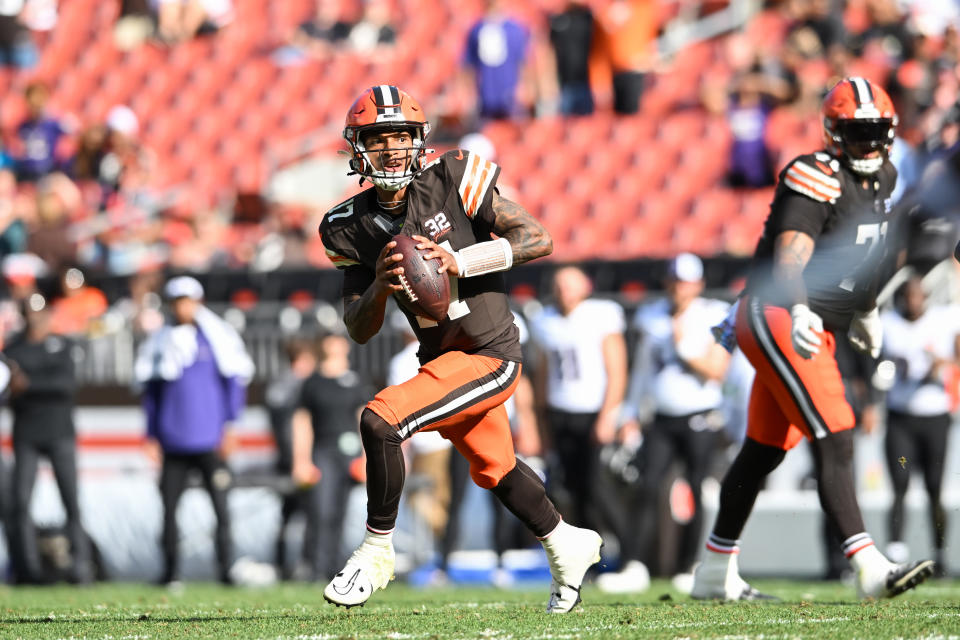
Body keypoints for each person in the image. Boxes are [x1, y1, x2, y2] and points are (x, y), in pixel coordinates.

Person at [318, 85, 601, 613]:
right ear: (359, 148)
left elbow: (539, 238)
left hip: (491, 354)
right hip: (444, 359)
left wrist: (458, 262)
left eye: (402, 136)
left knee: (380, 421)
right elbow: (358, 327)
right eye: (380, 139)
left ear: (419, 141)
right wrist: (379, 283)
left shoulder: (452, 177)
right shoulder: (346, 226)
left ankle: (378, 549)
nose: (394, 148)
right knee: (497, 468)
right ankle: (568, 542)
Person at [691, 77, 935, 601]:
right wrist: (800, 306)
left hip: (812, 317)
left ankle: (713, 570)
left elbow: (866, 255)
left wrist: (866, 308)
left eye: (875, 133)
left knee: (763, 450)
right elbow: (792, 252)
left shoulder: (884, 176)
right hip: (780, 307)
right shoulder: (815, 173)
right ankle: (867, 565)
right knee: (836, 429)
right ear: (832, 132)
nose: (868, 145)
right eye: (857, 132)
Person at [601, 253, 730, 594]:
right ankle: (634, 564)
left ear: (698, 284)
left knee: (696, 489)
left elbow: (717, 370)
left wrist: (685, 347)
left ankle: (690, 565)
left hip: (701, 414)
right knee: (646, 487)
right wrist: (629, 412)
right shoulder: (651, 317)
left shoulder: (715, 314)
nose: (679, 288)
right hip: (660, 417)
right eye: (674, 281)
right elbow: (643, 370)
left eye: (685, 281)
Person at [134, 276, 254, 585]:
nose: (184, 308)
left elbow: (233, 382)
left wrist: (231, 426)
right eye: (178, 302)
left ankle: (225, 569)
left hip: (210, 440)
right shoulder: (160, 343)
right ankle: (170, 571)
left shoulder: (216, 340)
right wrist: (150, 435)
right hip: (173, 440)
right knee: (169, 511)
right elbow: (151, 393)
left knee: (221, 509)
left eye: (188, 301)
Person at [529, 267, 627, 535]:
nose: (564, 291)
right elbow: (542, 375)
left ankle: (630, 554)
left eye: (570, 285)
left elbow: (617, 371)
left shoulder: (601, 315)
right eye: (559, 285)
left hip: (592, 412)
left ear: (585, 287)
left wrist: (608, 416)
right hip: (560, 411)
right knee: (573, 488)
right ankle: (593, 556)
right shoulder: (545, 321)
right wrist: (541, 422)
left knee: (597, 486)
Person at [6, 293, 92, 584]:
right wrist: (15, 386)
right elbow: (6, 387)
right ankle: (27, 570)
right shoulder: (14, 349)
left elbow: (66, 385)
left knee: (71, 500)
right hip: (27, 433)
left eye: (41, 312)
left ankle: (81, 566)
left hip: (59, 432)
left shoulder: (62, 345)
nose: (37, 318)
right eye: (31, 312)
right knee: (20, 502)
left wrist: (27, 384)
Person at [880, 274, 958, 576]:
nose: (912, 303)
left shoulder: (943, 320)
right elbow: (878, 367)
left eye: (917, 297)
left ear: (925, 297)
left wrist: (942, 364)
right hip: (901, 419)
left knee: (935, 487)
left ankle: (940, 554)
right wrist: (891, 368)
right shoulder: (889, 323)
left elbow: (957, 357)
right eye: (907, 297)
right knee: (899, 484)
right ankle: (896, 554)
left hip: (935, 417)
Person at [290, 332, 372, 582]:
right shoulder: (313, 382)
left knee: (340, 513)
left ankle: (336, 568)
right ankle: (316, 567)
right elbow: (302, 422)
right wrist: (301, 460)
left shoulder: (356, 381)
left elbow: (364, 420)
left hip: (348, 453)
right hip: (322, 451)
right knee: (320, 510)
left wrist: (368, 458)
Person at [264, 338, 317, 578]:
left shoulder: (278, 384)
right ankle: (306, 562)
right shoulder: (302, 386)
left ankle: (282, 563)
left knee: (288, 514)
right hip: (301, 459)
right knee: (309, 512)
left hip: (287, 458)